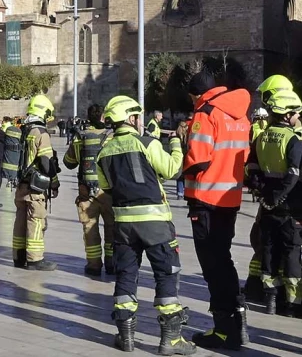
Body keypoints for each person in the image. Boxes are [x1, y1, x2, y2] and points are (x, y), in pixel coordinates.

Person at [96, 95, 194, 355]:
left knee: (126, 275)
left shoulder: (104, 151)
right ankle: (170, 341)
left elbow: (106, 187)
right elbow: (173, 169)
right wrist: (175, 143)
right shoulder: (147, 142)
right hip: (155, 223)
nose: (140, 121)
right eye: (137, 117)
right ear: (130, 118)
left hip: (123, 225)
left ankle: (126, 337)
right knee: (166, 273)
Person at [183, 70, 250, 350]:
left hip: (205, 199)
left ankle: (225, 330)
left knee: (212, 265)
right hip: (229, 198)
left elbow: (198, 159)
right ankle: (238, 323)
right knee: (225, 261)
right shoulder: (240, 113)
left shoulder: (205, 114)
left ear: (196, 95)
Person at [246, 89, 302, 316]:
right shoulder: (294, 140)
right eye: (297, 113)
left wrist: (265, 195)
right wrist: (279, 195)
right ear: (287, 115)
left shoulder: (261, 137)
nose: (299, 116)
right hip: (291, 208)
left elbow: (251, 169)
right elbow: (294, 174)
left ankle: (270, 298)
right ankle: (292, 303)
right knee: (291, 252)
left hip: (268, 207)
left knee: (269, 249)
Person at [63, 102, 115, 276]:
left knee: (89, 228)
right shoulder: (111, 137)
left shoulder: (81, 136)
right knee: (112, 227)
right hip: (108, 191)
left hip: (86, 191)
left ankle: (93, 265)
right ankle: (112, 262)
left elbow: (69, 163)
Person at [12, 94, 60, 271]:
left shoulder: (24, 130)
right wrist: (54, 182)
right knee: (36, 220)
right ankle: (35, 259)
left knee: (20, 221)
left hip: (21, 185)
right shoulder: (41, 133)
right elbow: (47, 163)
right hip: (35, 187)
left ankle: (19, 256)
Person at [0, 116, 23, 189]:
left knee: (7, 163)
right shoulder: (17, 129)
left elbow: (2, 136)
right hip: (16, 151)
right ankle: (13, 178)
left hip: (8, 150)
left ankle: (9, 179)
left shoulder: (6, 127)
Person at [174, 120, 189, 200]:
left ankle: (180, 193)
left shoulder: (175, 135)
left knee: (179, 176)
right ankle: (184, 191)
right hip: (186, 157)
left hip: (178, 157)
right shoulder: (188, 136)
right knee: (185, 175)